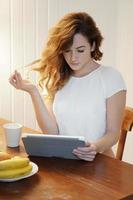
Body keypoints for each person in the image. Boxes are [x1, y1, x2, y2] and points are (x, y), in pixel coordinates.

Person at [9, 12, 126, 161]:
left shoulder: (111, 77)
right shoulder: (58, 77)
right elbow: (51, 132)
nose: (73, 58)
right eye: (67, 51)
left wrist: (94, 147)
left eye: (80, 50)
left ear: (93, 45)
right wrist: (33, 92)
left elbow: (113, 133)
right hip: (64, 162)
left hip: (100, 162)